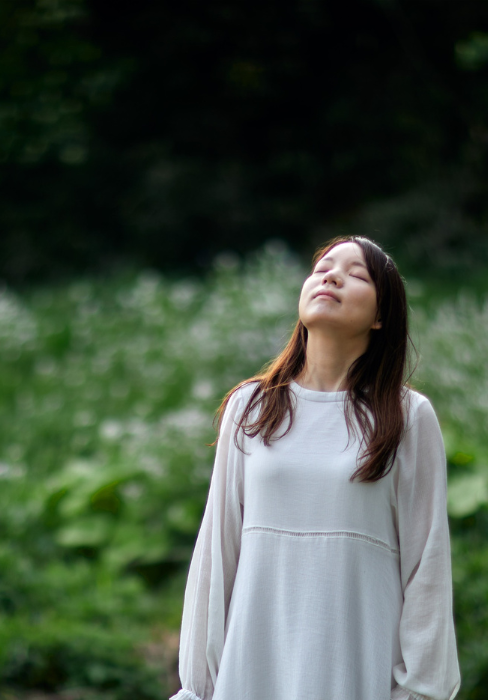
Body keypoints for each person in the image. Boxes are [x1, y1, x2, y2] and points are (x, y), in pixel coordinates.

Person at [170, 236, 460, 700]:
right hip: (251, 669)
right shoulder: (252, 407)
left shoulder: (407, 417)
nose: (331, 275)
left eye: (357, 273)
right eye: (323, 266)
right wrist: (198, 688)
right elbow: (215, 554)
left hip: (355, 670)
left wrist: (420, 692)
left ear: (381, 315)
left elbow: (427, 568)